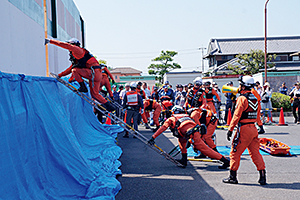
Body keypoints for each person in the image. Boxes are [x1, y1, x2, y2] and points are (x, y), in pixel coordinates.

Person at [148, 106, 229, 168]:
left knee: (205, 149)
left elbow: (162, 128)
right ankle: (184, 159)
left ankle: (225, 160)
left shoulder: (172, 118)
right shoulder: (187, 116)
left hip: (191, 133)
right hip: (190, 132)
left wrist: (153, 137)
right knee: (181, 141)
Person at [45, 38, 115, 111]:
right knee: (95, 95)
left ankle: (83, 87)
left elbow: (66, 46)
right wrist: (59, 75)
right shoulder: (78, 57)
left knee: (75, 70)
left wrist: (50, 41)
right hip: (95, 74)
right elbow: (70, 69)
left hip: (93, 73)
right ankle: (109, 106)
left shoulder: (77, 50)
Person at [223, 75, 266, 185]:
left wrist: (230, 129)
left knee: (234, 153)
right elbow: (257, 115)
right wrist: (260, 126)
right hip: (253, 129)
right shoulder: (255, 98)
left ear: (243, 86)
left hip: (244, 129)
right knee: (255, 153)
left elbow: (236, 115)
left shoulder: (242, 99)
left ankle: (233, 177)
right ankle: (262, 176)